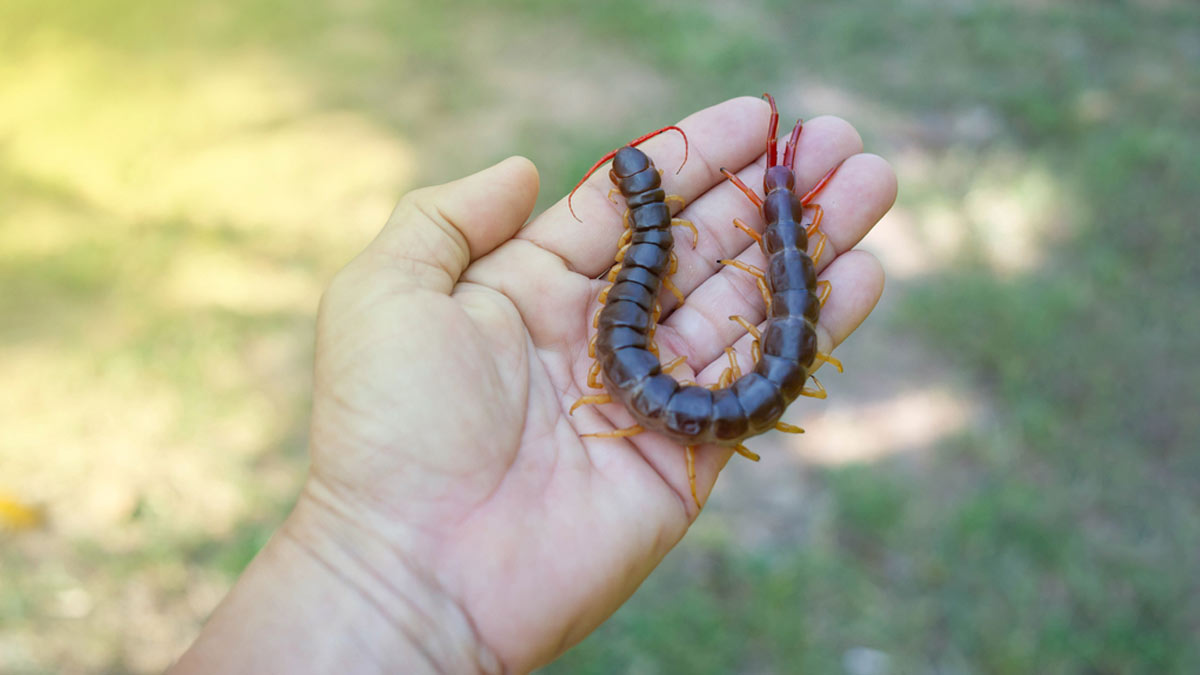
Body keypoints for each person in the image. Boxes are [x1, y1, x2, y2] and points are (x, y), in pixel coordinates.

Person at [169, 96, 897, 674]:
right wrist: (373, 567)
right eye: (639, 186)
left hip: (736, 374)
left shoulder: (640, 275)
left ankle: (780, 202)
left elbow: (646, 278)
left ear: (629, 207)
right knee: (765, 333)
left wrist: (374, 579)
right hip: (733, 371)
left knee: (767, 332)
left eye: (631, 179)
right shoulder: (636, 286)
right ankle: (782, 202)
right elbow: (645, 282)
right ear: (650, 213)